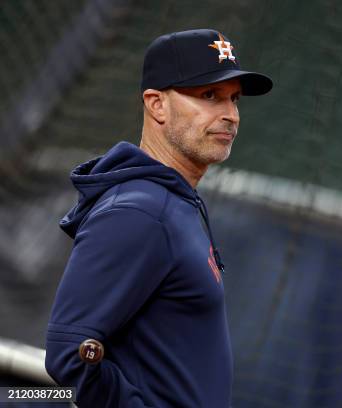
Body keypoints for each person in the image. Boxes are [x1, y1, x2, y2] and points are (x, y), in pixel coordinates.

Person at [44, 28, 272, 407]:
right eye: (209, 95)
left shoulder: (172, 202)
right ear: (157, 105)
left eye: (234, 99)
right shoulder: (139, 212)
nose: (230, 115)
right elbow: (69, 352)